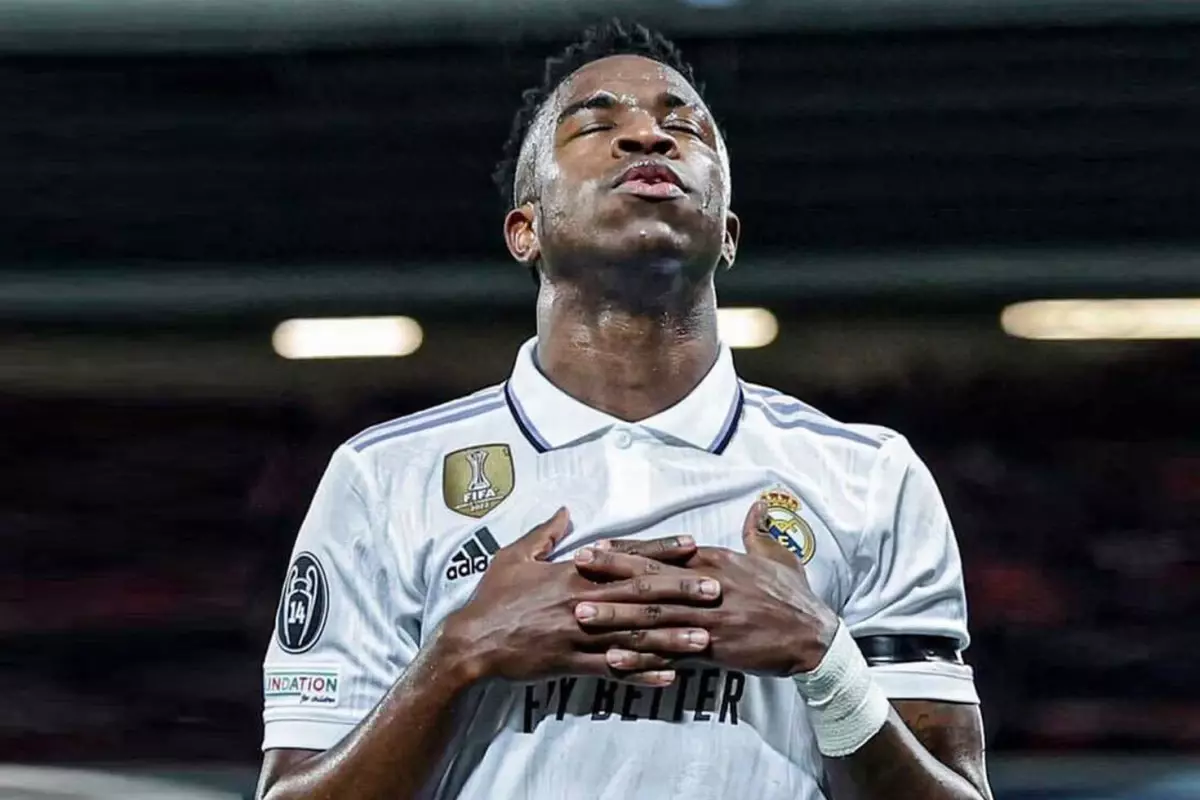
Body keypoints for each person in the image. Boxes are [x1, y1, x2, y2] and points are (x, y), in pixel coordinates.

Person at [255, 19, 993, 800]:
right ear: (526, 229)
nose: (649, 136)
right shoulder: (384, 478)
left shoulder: (869, 477)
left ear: (728, 234)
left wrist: (824, 657)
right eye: (596, 124)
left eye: (684, 126)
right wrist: (459, 656)